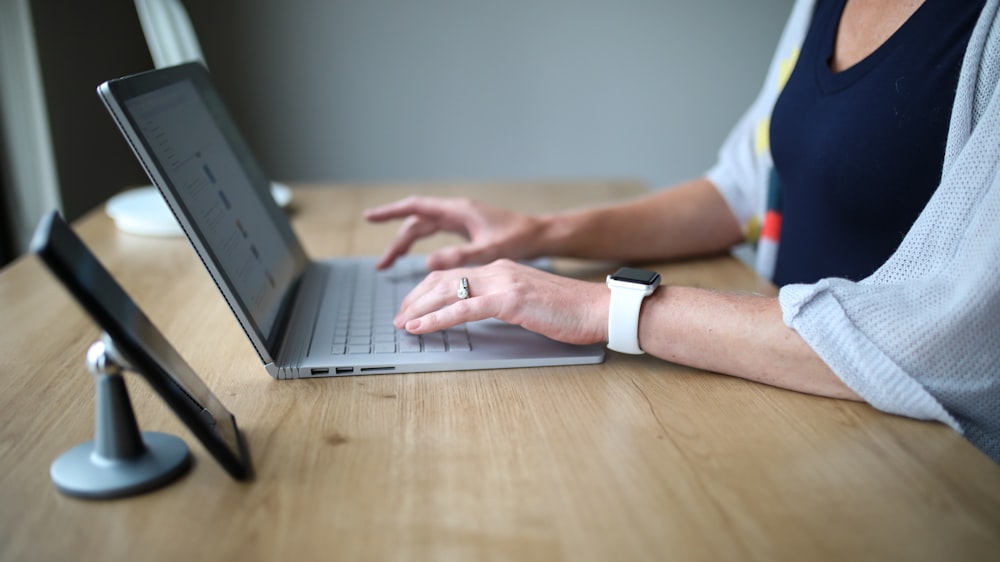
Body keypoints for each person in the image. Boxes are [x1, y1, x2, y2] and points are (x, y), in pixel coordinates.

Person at [363, 0, 1000, 463]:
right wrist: (539, 232)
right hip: (778, 401)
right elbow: (747, 189)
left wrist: (606, 307)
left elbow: (947, 338)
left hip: (909, 462)